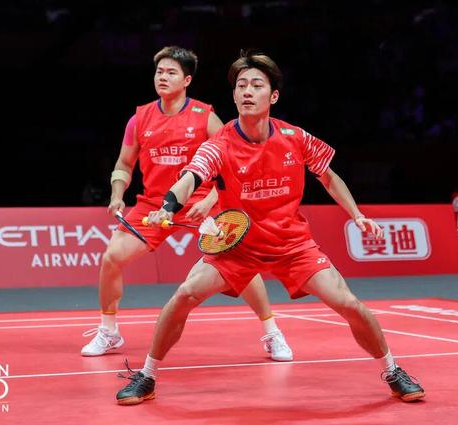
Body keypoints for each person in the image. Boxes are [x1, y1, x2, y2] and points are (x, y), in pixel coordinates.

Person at [115, 50, 425, 405]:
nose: (247, 91)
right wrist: (168, 207)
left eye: (256, 85)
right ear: (234, 96)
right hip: (237, 246)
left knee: (348, 303)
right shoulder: (219, 144)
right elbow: (191, 178)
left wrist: (356, 214)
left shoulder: (295, 137)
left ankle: (392, 370)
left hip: (292, 245)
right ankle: (147, 375)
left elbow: (328, 176)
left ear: (273, 96)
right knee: (184, 295)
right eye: (241, 86)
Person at [81, 46, 293, 363]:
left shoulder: (205, 117)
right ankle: (109, 330)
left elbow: (234, 162)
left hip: (200, 202)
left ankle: (272, 331)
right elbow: (124, 164)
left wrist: (210, 199)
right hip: (155, 205)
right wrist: (116, 194)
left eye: (171, 72)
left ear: (187, 80)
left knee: (240, 264)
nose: (163, 77)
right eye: (159, 72)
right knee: (112, 257)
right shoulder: (139, 119)